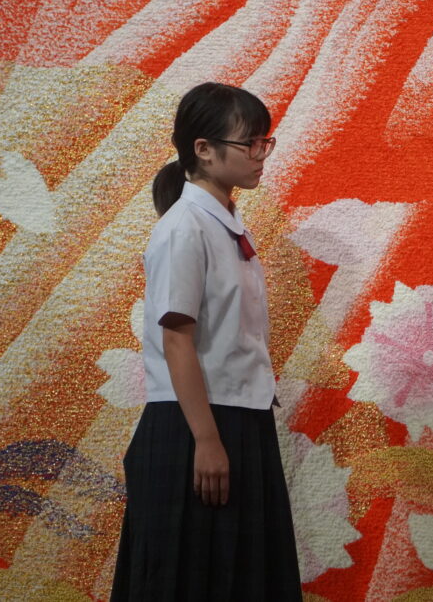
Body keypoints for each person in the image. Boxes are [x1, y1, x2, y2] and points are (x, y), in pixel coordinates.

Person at [111, 82, 302, 601]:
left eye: (265, 141)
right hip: (195, 426)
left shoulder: (227, 224)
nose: (261, 154)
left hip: (239, 419)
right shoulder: (184, 228)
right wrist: (208, 440)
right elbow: (177, 339)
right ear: (203, 149)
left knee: (242, 577)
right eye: (250, 143)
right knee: (190, 579)